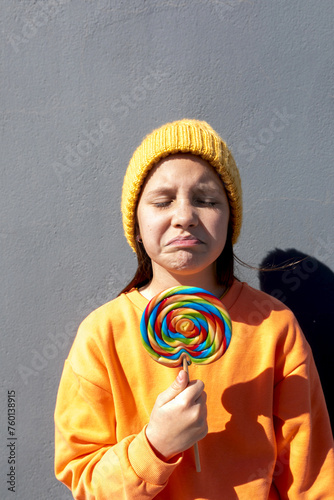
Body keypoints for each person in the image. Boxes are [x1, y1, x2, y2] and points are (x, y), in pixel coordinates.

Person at [54, 119, 334, 499]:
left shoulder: (274, 328)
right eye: (162, 200)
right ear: (136, 223)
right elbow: (85, 482)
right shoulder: (102, 334)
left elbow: (312, 478)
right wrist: (155, 446)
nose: (184, 216)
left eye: (206, 200)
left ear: (230, 217)